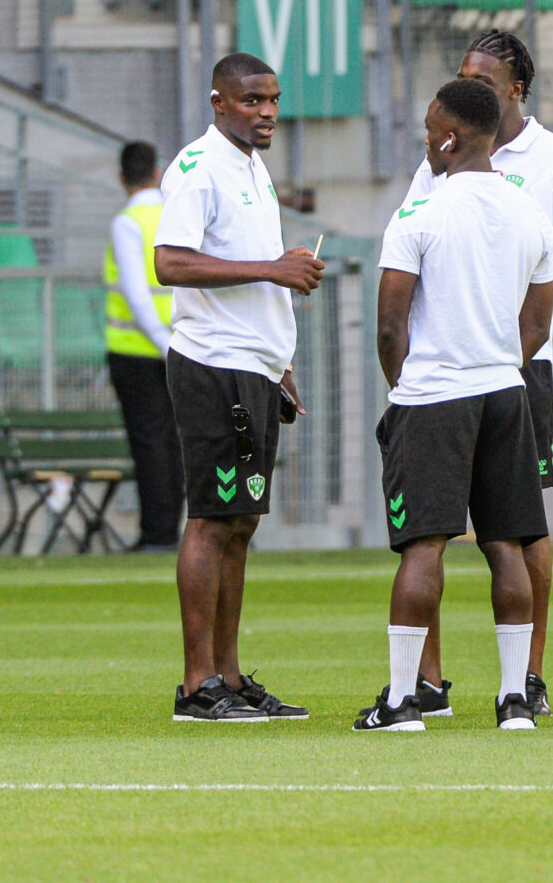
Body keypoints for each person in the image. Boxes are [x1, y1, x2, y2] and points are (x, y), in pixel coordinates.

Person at [393, 30, 553, 720]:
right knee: (433, 529)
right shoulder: (442, 157)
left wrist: (490, 283)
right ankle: (428, 680)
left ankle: (526, 676)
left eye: (481, 74)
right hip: (443, 365)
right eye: (460, 70)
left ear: (515, 89)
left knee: (520, 532)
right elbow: (422, 244)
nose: (468, 80)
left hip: (513, 366)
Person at [353, 78, 553, 733]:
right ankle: (513, 701)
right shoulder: (530, 213)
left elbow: (389, 325)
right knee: (506, 547)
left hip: (435, 399)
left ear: (449, 137)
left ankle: (402, 702)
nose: (426, 141)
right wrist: (501, 360)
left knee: (423, 547)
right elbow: (539, 319)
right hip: (505, 393)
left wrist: (403, 387)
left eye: (428, 131)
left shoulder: (420, 214)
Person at [154, 52, 325, 722]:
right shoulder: (196, 170)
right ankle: (198, 685)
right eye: (252, 101)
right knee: (211, 518)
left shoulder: (251, 168)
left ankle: (227, 674)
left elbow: (255, 279)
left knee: (243, 520)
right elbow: (169, 262)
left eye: (274, 100)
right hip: (211, 363)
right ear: (220, 102)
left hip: (251, 364)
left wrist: (278, 358)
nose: (267, 113)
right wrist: (273, 270)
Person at [103, 141, 185, 553]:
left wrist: (162, 346)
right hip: (184, 347)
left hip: (138, 352)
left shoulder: (128, 221)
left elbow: (136, 296)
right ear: (156, 173)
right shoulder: (172, 213)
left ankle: (158, 533)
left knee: (150, 443)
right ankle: (178, 529)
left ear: (121, 178)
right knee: (178, 441)